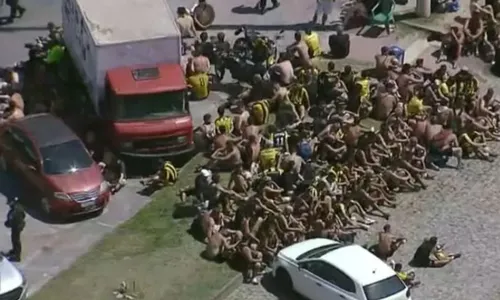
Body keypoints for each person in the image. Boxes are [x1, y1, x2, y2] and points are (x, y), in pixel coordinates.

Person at [3, 197, 25, 262]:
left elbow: (14, 219)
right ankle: (14, 251)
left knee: (16, 241)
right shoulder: (17, 207)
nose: (9, 204)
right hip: (16, 226)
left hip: (16, 227)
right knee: (14, 240)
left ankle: (17, 256)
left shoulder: (16, 210)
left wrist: (8, 223)